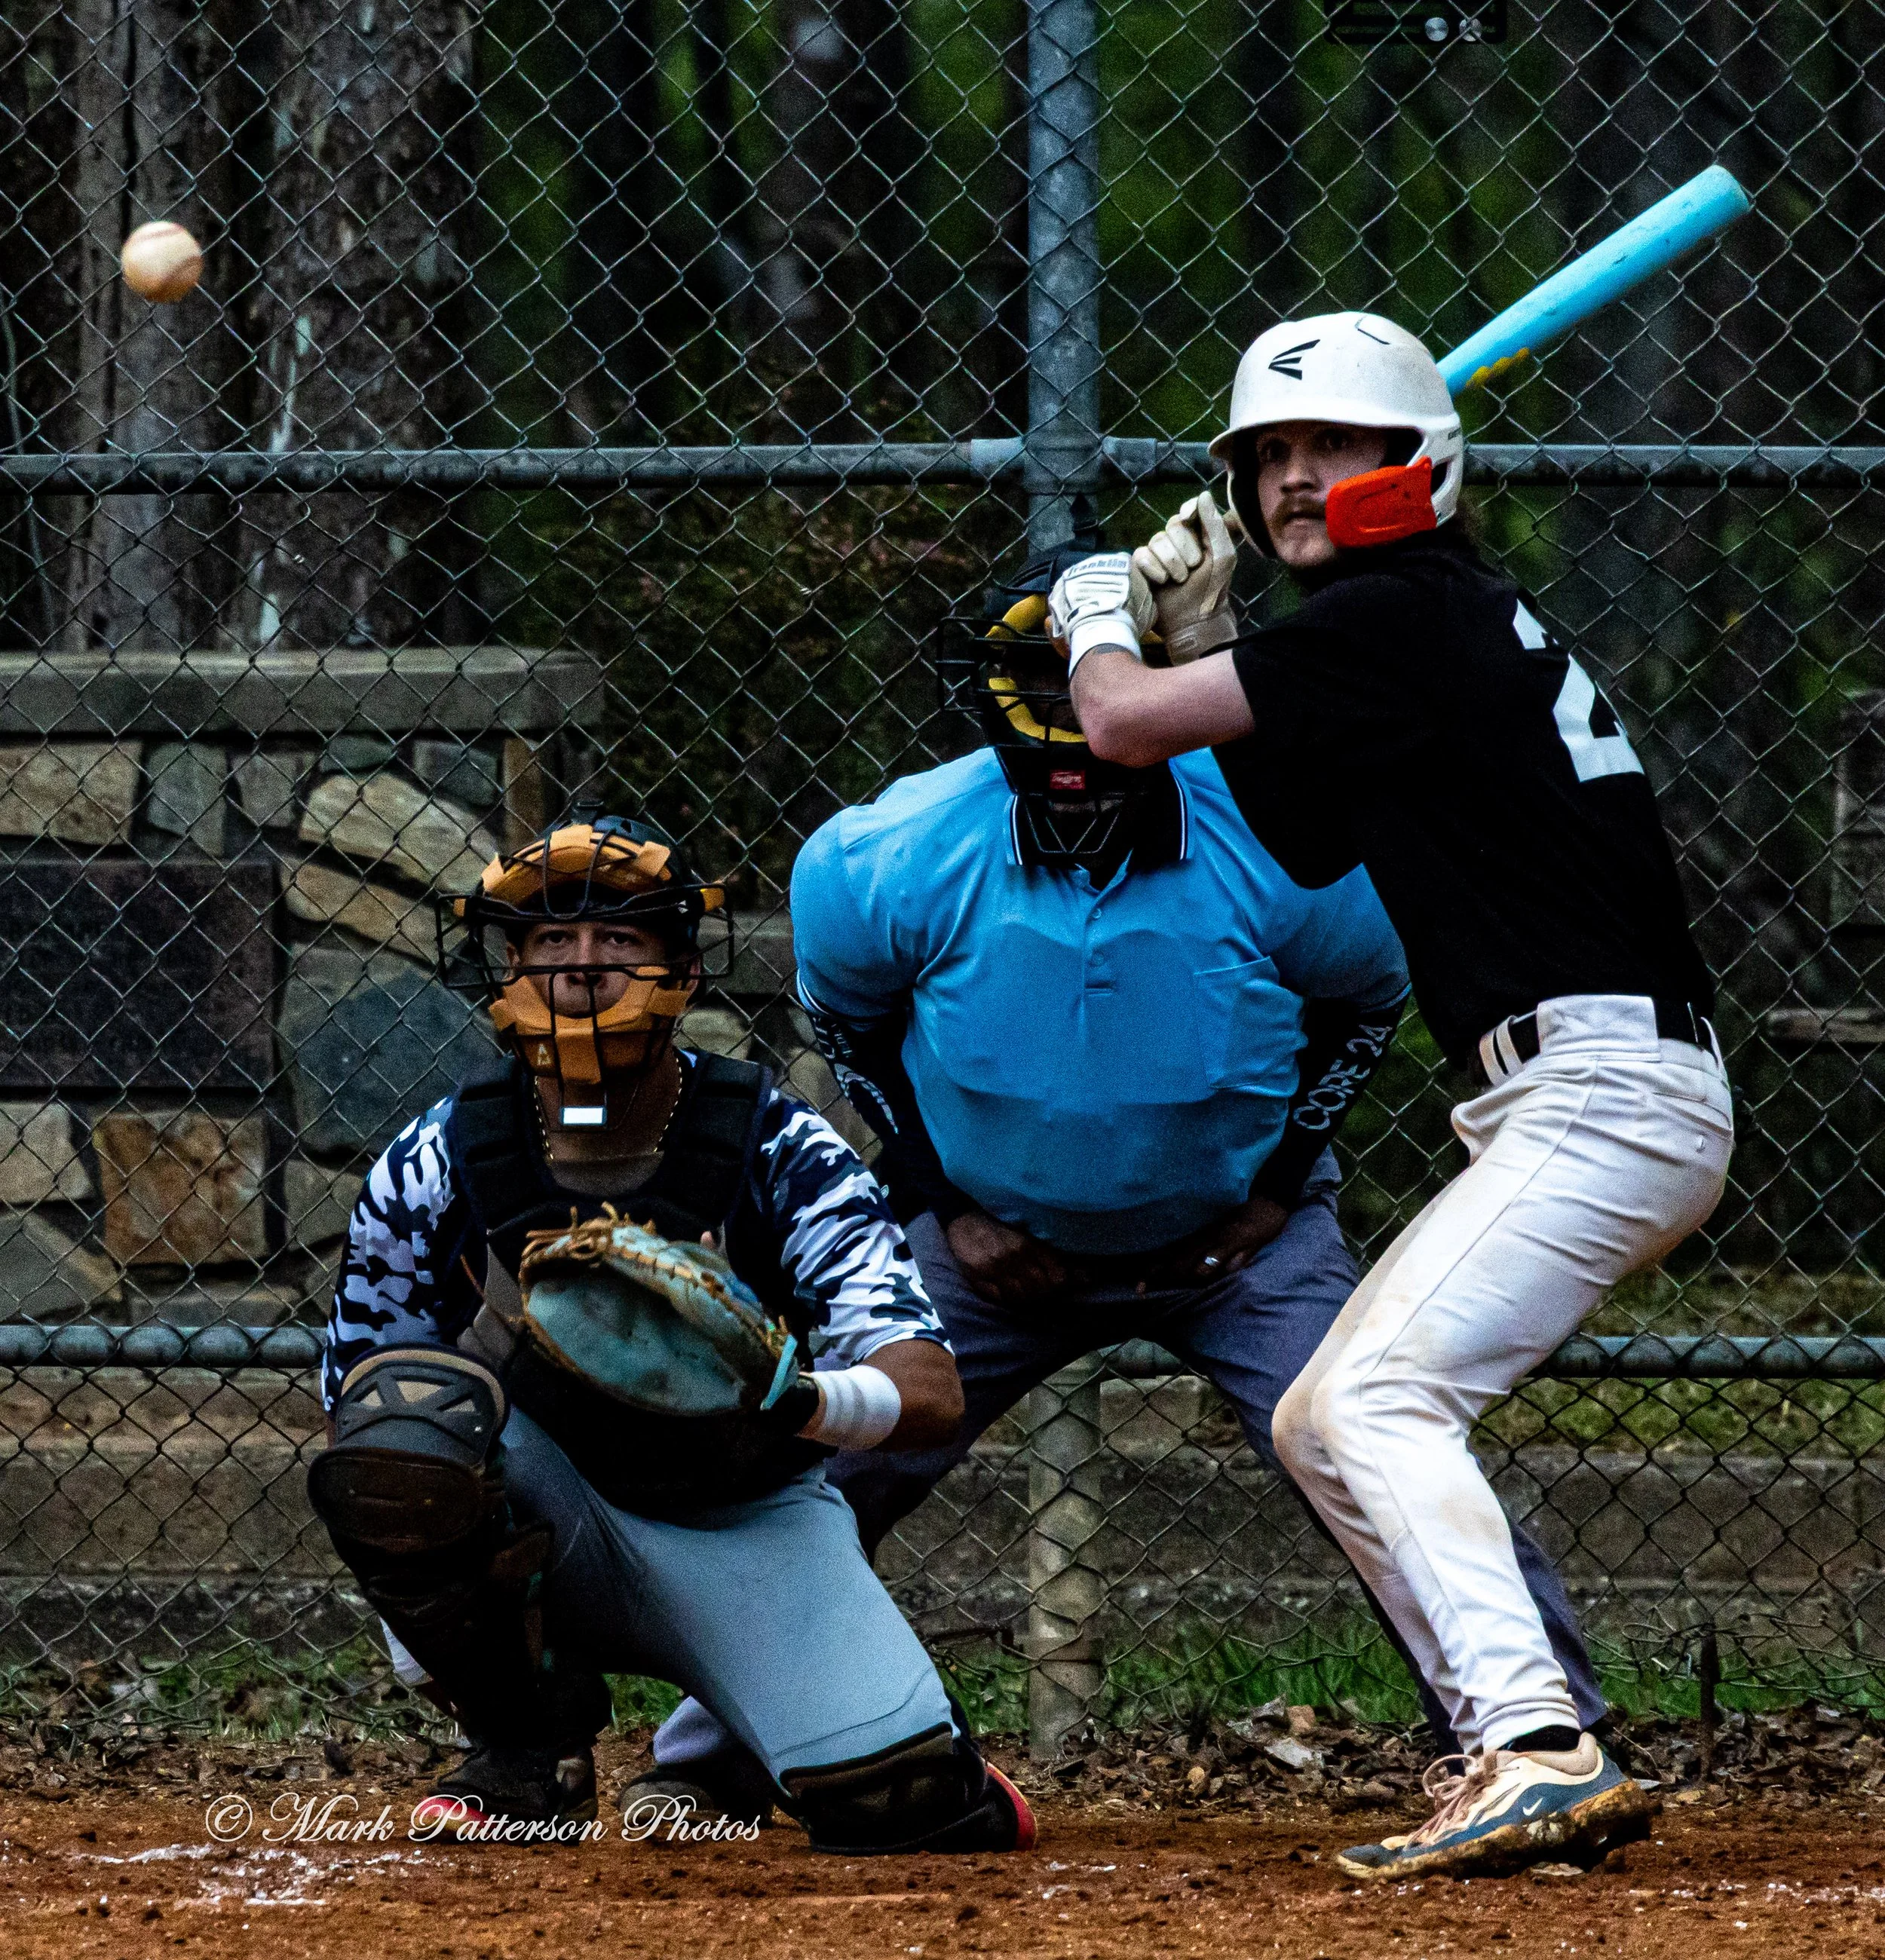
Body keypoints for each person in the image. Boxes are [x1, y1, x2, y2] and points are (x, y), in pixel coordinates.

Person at [639, 539, 1608, 1811]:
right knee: (827, 1465)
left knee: (1377, 1437)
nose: (1077, 768)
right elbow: (850, 1024)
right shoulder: (889, 855)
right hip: (987, 1247)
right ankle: (708, 1769)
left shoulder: (1289, 845)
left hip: (1236, 1245)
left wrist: (1273, 1194)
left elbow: (1362, 1010)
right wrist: (947, 1207)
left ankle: (1546, 1746)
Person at [1049, 311, 1733, 1880]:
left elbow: (1116, 723)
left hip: (1596, 1087)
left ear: (1416, 463)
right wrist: (1213, 621)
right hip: (1584, 1089)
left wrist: (1106, 618)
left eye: (1331, 448)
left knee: (1373, 1398)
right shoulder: (1405, 629)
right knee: (1317, 1416)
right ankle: (1523, 1734)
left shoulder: (1400, 612)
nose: (1294, 478)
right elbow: (1299, 834)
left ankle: (1531, 1742)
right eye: (1267, 456)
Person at [307, 813, 1034, 1854]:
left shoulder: (778, 1144)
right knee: (400, 1429)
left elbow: (930, 1390)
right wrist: (441, 1602)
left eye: (621, 939)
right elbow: (356, 1405)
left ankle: (815, 1730)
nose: (582, 967)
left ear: (684, 972)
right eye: (551, 941)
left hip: (744, 1520)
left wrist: (799, 1397)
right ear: (511, 970)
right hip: (549, 1506)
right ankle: (525, 1750)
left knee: (906, 1808)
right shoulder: (437, 1155)